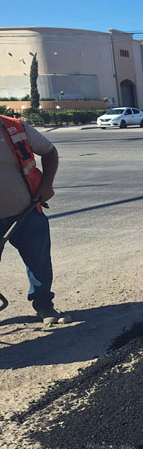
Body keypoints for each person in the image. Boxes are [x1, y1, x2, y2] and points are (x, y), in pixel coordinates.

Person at [0, 114, 70, 324]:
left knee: (39, 262)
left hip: (26, 212)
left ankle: (43, 304)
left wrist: (46, 184)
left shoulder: (15, 127)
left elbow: (49, 152)